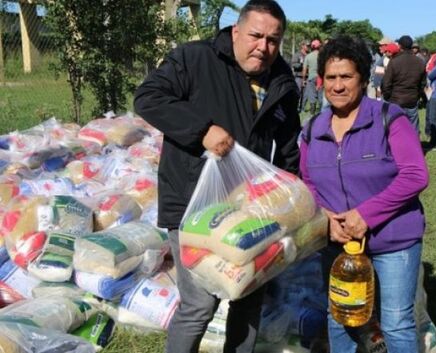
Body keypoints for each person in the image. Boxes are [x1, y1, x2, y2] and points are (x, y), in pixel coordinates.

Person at [133, 1, 301, 352]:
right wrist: (202, 130)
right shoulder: (195, 59)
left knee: (248, 298)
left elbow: (287, 145)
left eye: (273, 40)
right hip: (195, 203)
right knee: (199, 305)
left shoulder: (282, 78)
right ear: (236, 31)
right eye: (256, 36)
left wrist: (290, 195)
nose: (263, 47)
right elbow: (147, 98)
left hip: (250, 207)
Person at [299, 35, 428, 353]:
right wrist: (325, 216)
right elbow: (306, 181)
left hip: (392, 243)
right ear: (322, 80)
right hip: (337, 245)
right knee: (340, 316)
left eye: (346, 77)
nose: (338, 86)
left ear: (364, 78)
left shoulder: (389, 119)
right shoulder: (312, 128)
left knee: (396, 322)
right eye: (331, 77)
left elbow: (415, 175)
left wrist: (366, 215)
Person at [382, 35, 426, 133]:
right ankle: (414, 147)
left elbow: (386, 83)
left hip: (396, 99)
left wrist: (388, 97)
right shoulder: (420, 62)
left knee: (394, 127)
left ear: (400, 46)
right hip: (411, 99)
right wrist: (417, 96)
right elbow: (422, 84)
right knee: (413, 128)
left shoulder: (394, 62)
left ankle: (396, 147)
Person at [303, 39, 322, 114]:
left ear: (312, 47)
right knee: (320, 95)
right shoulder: (322, 56)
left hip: (311, 77)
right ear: (319, 47)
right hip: (320, 77)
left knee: (312, 95)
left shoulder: (308, 56)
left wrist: (304, 79)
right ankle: (321, 111)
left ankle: (312, 111)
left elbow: (304, 70)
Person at [291, 40, 309, 108]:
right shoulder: (297, 54)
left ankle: (302, 108)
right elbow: (293, 65)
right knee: (298, 93)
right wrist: (301, 64)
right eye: (307, 45)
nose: (308, 47)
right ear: (302, 46)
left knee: (306, 94)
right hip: (298, 77)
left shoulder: (309, 55)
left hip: (307, 77)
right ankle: (296, 107)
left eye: (309, 46)